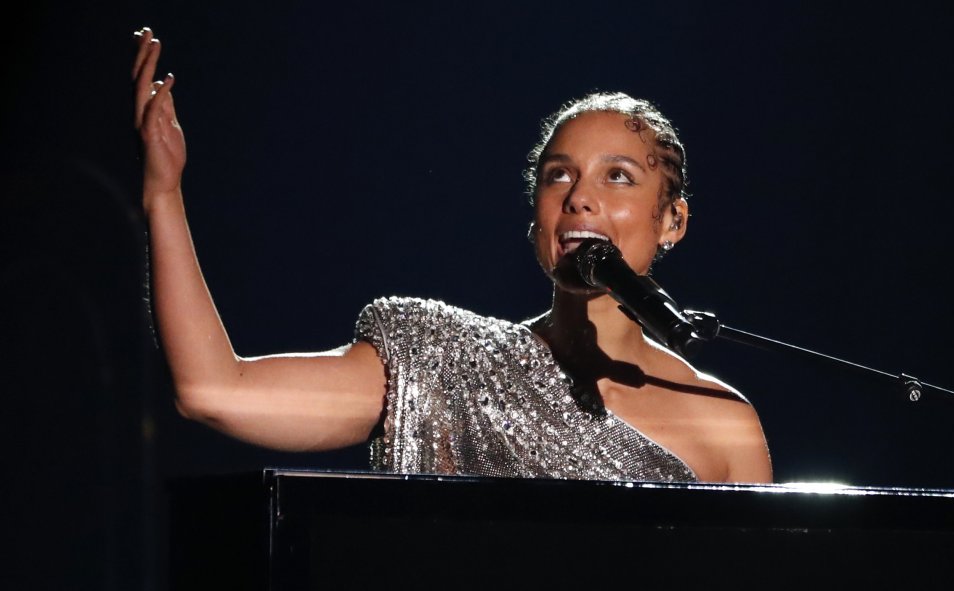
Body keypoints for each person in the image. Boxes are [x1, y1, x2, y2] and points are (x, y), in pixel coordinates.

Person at [133, 26, 773, 484]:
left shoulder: (725, 426)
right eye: (558, 175)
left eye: (619, 177)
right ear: (535, 219)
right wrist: (164, 193)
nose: (580, 198)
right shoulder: (441, 363)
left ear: (673, 221)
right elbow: (212, 389)